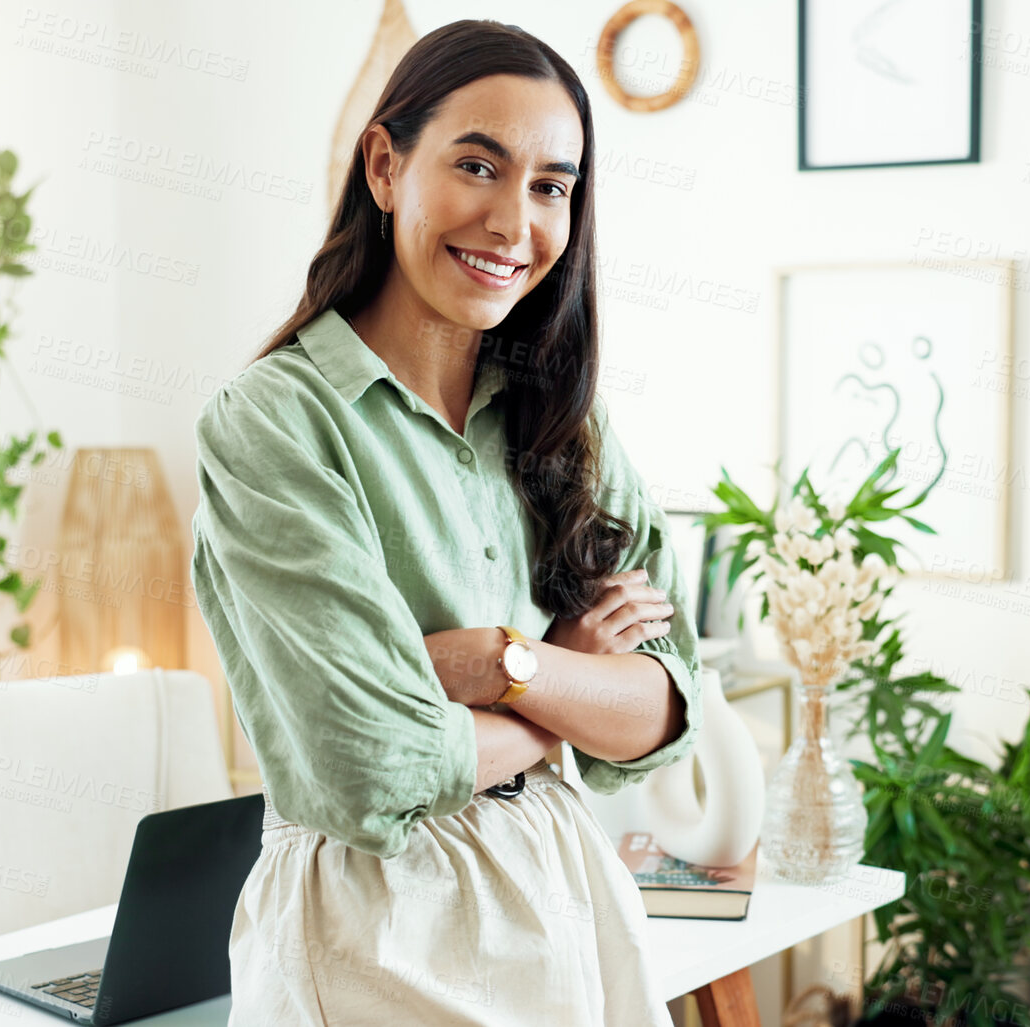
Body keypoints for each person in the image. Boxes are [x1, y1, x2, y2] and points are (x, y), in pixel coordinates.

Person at [188, 19, 704, 1026]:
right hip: (376, 930)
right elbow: (365, 768)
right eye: (479, 164)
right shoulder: (275, 423)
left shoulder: (564, 418)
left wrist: (492, 662)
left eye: (552, 186)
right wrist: (560, 692)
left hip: (568, 901)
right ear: (385, 165)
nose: (515, 223)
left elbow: (665, 713)